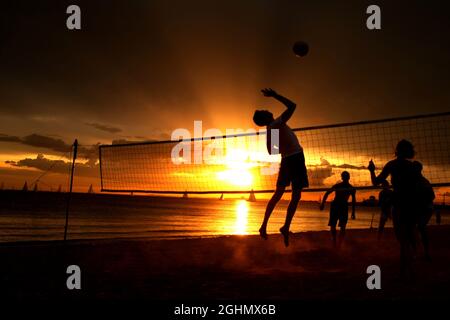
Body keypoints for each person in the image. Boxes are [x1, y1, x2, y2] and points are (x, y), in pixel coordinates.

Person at [254, 88, 309, 247]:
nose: (266, 109)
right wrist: (275, 95)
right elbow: (293, 106)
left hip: (285, 160)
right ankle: (285, 227)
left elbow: (272, 151)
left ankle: (264, 225)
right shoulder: (276, 124)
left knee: (278, 194)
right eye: (264, 111)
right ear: (265, 118)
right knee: (295, 196)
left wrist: (272, 135)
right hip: (295, 158)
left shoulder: (271, 128)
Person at [368, 139, 420, 277]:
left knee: (403, 238)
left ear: (397, 150)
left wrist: (372, 170)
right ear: (409, 151)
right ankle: (411, 265)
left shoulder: (392, 165)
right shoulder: (412, 167)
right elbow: (418, 186)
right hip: (411, 204)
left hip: (399, 204)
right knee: (410, 236)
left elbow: (375, 182)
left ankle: (405, 269)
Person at [320, 171, 356, 248]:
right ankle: (336, 242)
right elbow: (327, 193)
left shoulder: (349, 188)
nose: (345, 178)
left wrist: (323, 203)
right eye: (345, 176)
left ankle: (337, 243)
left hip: (339, 206)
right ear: (345, 177)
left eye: (345, 176)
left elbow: (327, 193)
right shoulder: (346, 187)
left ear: (343, 177)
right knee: (337, 226)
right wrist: (322, 203)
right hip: (338, 205)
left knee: (339, 226)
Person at [413, 161, 435, 261]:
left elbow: (432, 196)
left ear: (418, 169)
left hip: (426, 208)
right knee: (416, 229)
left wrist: (421, 200)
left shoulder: (423, 182)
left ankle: (425, 252)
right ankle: (417, 252)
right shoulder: (413, 181)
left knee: (420, 227)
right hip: (420, 208)